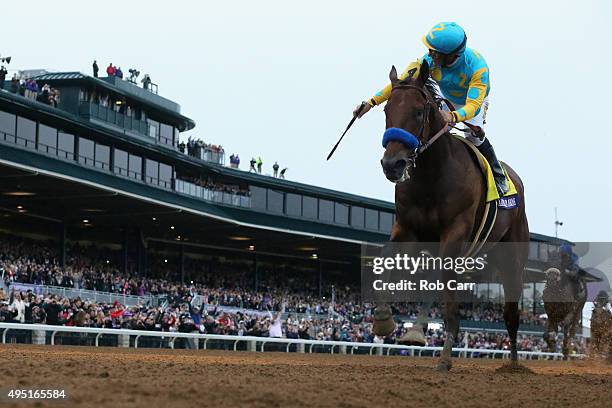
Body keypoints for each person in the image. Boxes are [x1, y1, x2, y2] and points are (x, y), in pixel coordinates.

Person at [354, 22, 508, 196]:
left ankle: (498, 175)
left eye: (434, 52)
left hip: (472, 102)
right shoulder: (427, 61)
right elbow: (398, 84)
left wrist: (453, 116)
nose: (429, 54)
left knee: (472, 136)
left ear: (451, 55)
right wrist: (370, 103)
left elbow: (473, 106)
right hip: (447, 96)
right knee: (430, 130)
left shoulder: (477, 68)